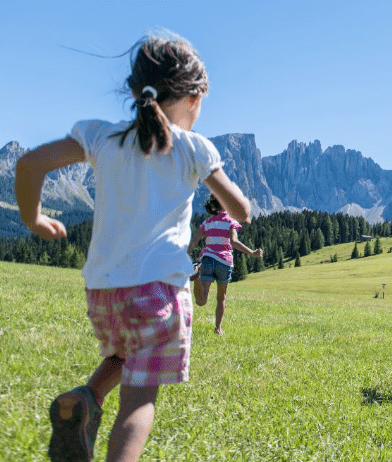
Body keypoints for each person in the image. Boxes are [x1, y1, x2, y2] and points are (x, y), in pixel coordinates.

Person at [15, 30, 252, 462]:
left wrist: (33, 219)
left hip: (103, 293)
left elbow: (30, 163)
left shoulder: (100, 137)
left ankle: (84, 399)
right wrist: (235, 200)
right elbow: (240, 208)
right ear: (195, 100)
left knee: (126, 353)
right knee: (139, 402)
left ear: (133, 89)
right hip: (159, 292)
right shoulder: (193, 147)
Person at [189, 194, 263, 335]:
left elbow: (194, 241)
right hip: (224, 262)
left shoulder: (206, 223)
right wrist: (252, 252)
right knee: (221, 297)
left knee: (201, 300)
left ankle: (197, 277)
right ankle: (218, 328)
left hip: (207, 260)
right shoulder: (230, 221)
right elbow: (234, 242)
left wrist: (185, 255)